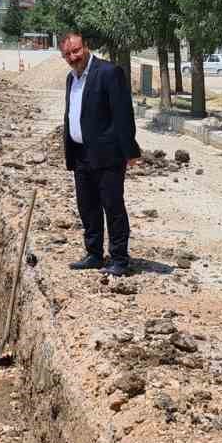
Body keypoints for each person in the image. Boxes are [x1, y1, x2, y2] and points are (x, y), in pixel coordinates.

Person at [59, 31, 140, 276]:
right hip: (81, 154)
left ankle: (119, 260)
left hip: (108, 155)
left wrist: (130, 150)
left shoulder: (108, 73)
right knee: (87, 206)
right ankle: (93, 254)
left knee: (112, 206)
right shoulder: (71, 79)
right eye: (68, 54)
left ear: (86, 47)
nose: (73, 56)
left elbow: (123, 114)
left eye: (76, 50)